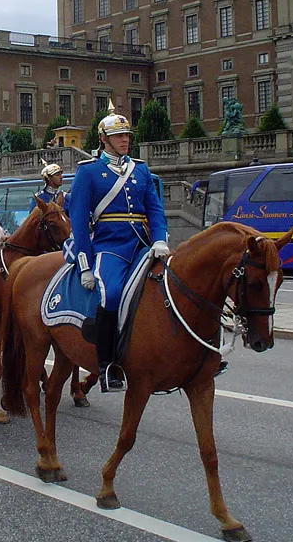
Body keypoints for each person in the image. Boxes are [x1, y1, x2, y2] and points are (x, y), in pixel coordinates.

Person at [66, 101, 168, 394]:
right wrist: (85, 265)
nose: (125, 140)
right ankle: (107, 364)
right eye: (119, 136)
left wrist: (160, 238)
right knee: (110, 295)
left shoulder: (141, 170)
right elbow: (79, 222)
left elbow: (155, 209)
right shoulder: (88, 172)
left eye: (127, 135)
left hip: (143, 244)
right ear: (104, 139)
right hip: (110, 245)